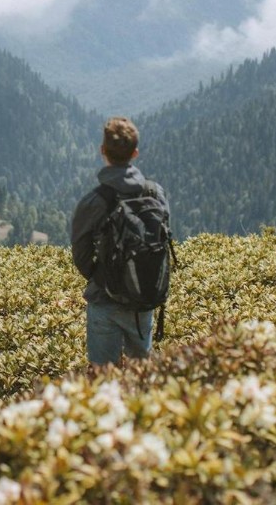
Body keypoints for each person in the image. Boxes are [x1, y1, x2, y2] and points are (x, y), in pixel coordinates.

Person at [71, 116, 170, 369]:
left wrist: (102, 276)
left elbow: (80, 253)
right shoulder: (154, 193)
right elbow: (162, 237)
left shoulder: (94, 201)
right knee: (141, 376)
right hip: (143, 298)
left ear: (102, 151)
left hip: (105, 300)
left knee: (104, 381)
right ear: (135, 153)